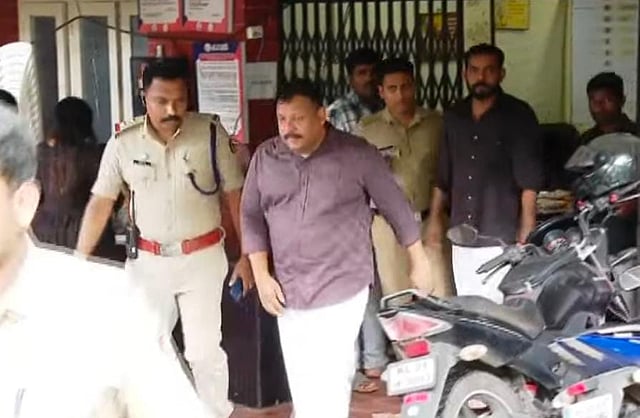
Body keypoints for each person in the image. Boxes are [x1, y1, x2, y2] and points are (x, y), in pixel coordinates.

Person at [0, 103, 212, 418]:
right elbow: (111, 205)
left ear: (24, 202)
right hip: (87, 247)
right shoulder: (94, 156)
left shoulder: (107, 307)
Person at [241, 78, 432, 418]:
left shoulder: (357, 154)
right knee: (301, 374)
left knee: (329, 374)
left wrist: (419, 260)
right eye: (282, 119)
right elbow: (251, 216)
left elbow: (395, 207)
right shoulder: (266, 157)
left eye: (298, 119)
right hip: (288, 287)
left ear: (322, 115)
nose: (288, 128)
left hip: (341, 285)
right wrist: (261, 275)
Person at [75, 59, 252, 418]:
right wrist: (79, 261)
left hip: (202, 258)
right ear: (144, 97)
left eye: (179, 100)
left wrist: (248, 256)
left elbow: (236, 197)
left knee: (204, 352)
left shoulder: (211, 134)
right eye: (161, 101)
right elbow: (100, 203)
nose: (171, 109)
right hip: (148, 263)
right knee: (141, 347)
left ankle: (214, 412)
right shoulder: (123, 142)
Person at [425, 43, 544, 303]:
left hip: (499, 236)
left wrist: (527, 229)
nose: (481, 77)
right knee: (468, 304)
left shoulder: (518, 115)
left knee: (498, 309)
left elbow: (529, 179)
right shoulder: (454, 116)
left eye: (489, 70)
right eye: (475, 70)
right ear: (465, 74)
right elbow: (443, 174)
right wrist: (434, 220)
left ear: (501, 74)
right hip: (460, 234)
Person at [355, 57, 447, 392]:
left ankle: (442, 367)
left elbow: (446, 174)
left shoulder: (437, 124)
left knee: (438, 294)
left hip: (430, 222)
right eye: (392, 89)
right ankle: (412, 372)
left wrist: (437, 217)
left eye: (406, 86)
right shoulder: (367, 130)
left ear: (415, 86)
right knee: (398, 299)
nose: (401, 95)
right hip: (387, 227)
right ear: (381, 92)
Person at [32, 97, 122, 260]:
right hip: (89, 233)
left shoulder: (41, 154)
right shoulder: (97, 155)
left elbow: (34, 194)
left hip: (44, 233)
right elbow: (112, 198)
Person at [327, 47, 383, 132]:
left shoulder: (389, 105)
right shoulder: (338, 112)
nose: (369, 78)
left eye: (374, 72)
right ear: (350, 79)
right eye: (362, 73)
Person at [580, 72, 639, 145]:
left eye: (607, 100)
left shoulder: (636, 135)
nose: (598, 106)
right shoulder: (586, 139)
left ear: (622, 101)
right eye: (594, 101)